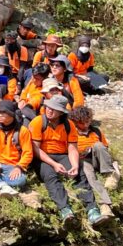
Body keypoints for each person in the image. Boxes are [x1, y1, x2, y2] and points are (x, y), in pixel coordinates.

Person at [30, 95, 104, 225]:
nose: (49, 110)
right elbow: (35, 149)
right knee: (50, 175)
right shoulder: (38, 122)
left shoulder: (68, 125)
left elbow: (72, 148)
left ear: (61, 112)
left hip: (62, 154)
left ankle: (92, 209)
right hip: (42, 156)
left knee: (79, 174)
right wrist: (53, 164)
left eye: (54, 109)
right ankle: (64, 209)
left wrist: (75, 165)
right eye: (48, 107)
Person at [71, 106, 119, 220]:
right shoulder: (72, 133)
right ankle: (105, 205)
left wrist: (93, 148)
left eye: (88, 121)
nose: (86, 125)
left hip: (98, 159)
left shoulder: (96, 131)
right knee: (90, 177)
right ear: (76, 122)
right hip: (84, 160)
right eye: (83, 123)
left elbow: (104, 147)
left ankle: (109, 173)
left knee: (98, 145)